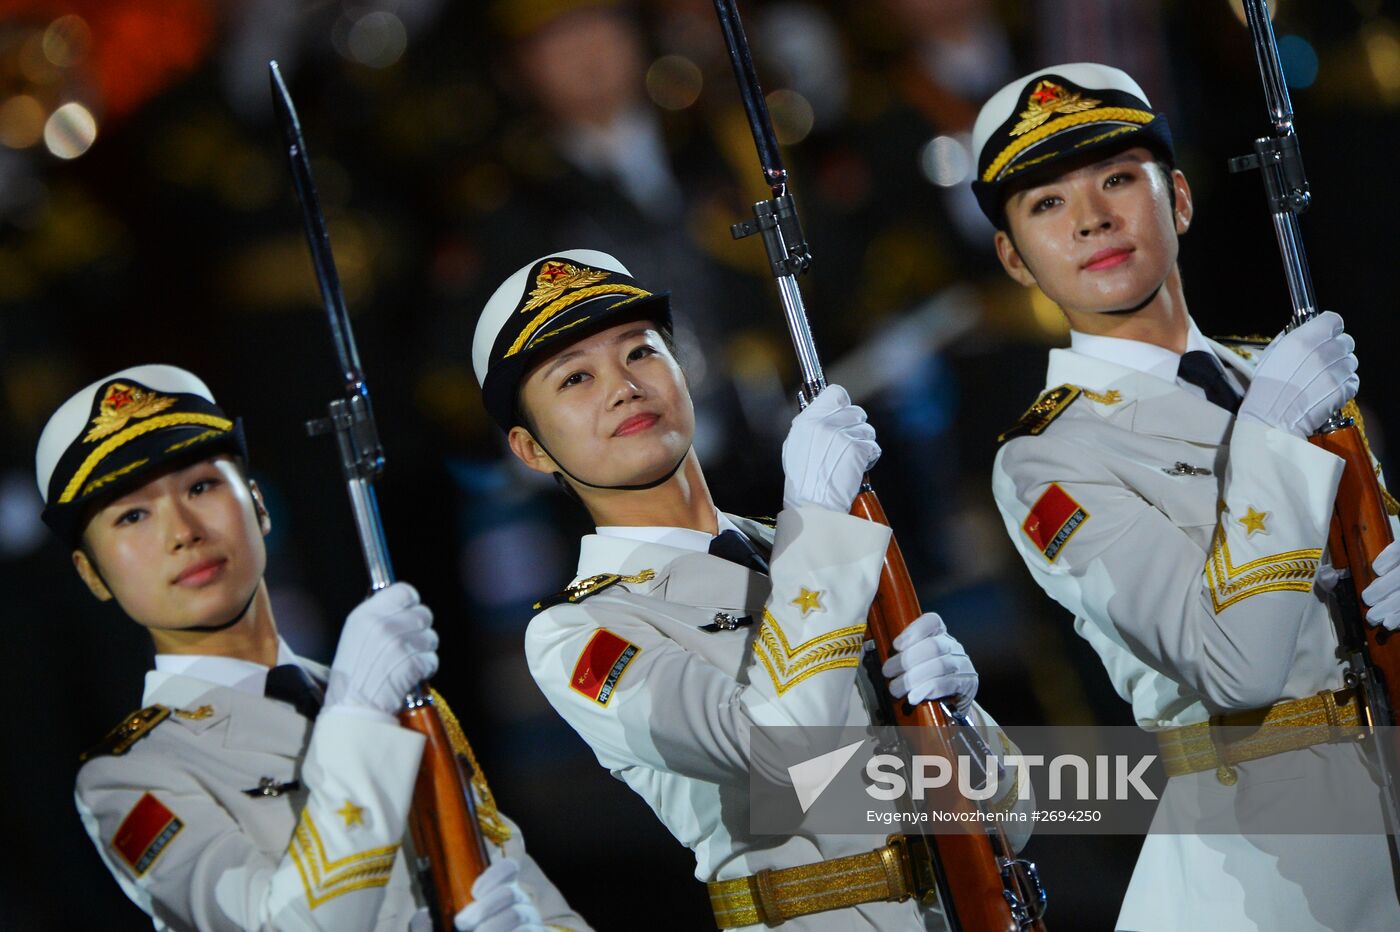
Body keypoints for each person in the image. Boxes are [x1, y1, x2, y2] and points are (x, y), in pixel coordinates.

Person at [472, 248, 1027, 930]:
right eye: (576, 378)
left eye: (641, 353)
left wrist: (964, 726)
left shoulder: (791, 547)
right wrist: (819, 522)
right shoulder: (580, 634)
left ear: (686, 367)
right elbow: (781, 754)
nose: (623, 386)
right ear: (531, 450)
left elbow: (1015, 817)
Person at [977, 63, 1400, 930]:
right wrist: (1276, 436)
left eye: (1117, 179)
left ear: (1179, 199)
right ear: (1014, 257)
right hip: (1262, 871)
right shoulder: (1046, 458)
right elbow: (1231, 666)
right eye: (1046, 204)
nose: (1092, 215)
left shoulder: (1281, 380)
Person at [36, 364, 589, 931]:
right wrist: (355, 715)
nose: (182, 530)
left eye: (201, 486)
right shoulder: (131, 781)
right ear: (92, 574)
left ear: (257, 503)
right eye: (133, 515)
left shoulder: (388, 696)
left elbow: (524, 884)